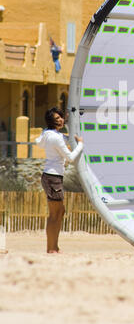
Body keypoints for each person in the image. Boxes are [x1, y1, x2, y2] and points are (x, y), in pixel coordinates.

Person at [35, 107, 83, 253]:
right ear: (51, 122)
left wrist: (69, 122)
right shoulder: (55, 137)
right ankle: (51, 248)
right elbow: (70, 157)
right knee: (55, 214)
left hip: (51, 176)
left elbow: (42, 141)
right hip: (53, 177)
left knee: (60, 211)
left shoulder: (48, 134)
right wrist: (81, 144)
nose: (61, 120)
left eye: (61, 117)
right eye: (57, 119)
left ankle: (54, 246)